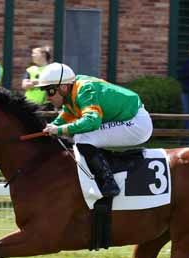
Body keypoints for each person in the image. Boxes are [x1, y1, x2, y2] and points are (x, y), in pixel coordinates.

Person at [38, 63, 153, 198]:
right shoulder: (71, 91)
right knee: (83, 137)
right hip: (127, 119)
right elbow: (68, 114)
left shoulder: (85, 89)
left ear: (63, 87)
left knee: (84, 137)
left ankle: (108, 183)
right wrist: (52, 126)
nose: (47, 97)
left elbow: (92, 121)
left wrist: (59, 129)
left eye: (49, 91)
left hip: (136, 123)